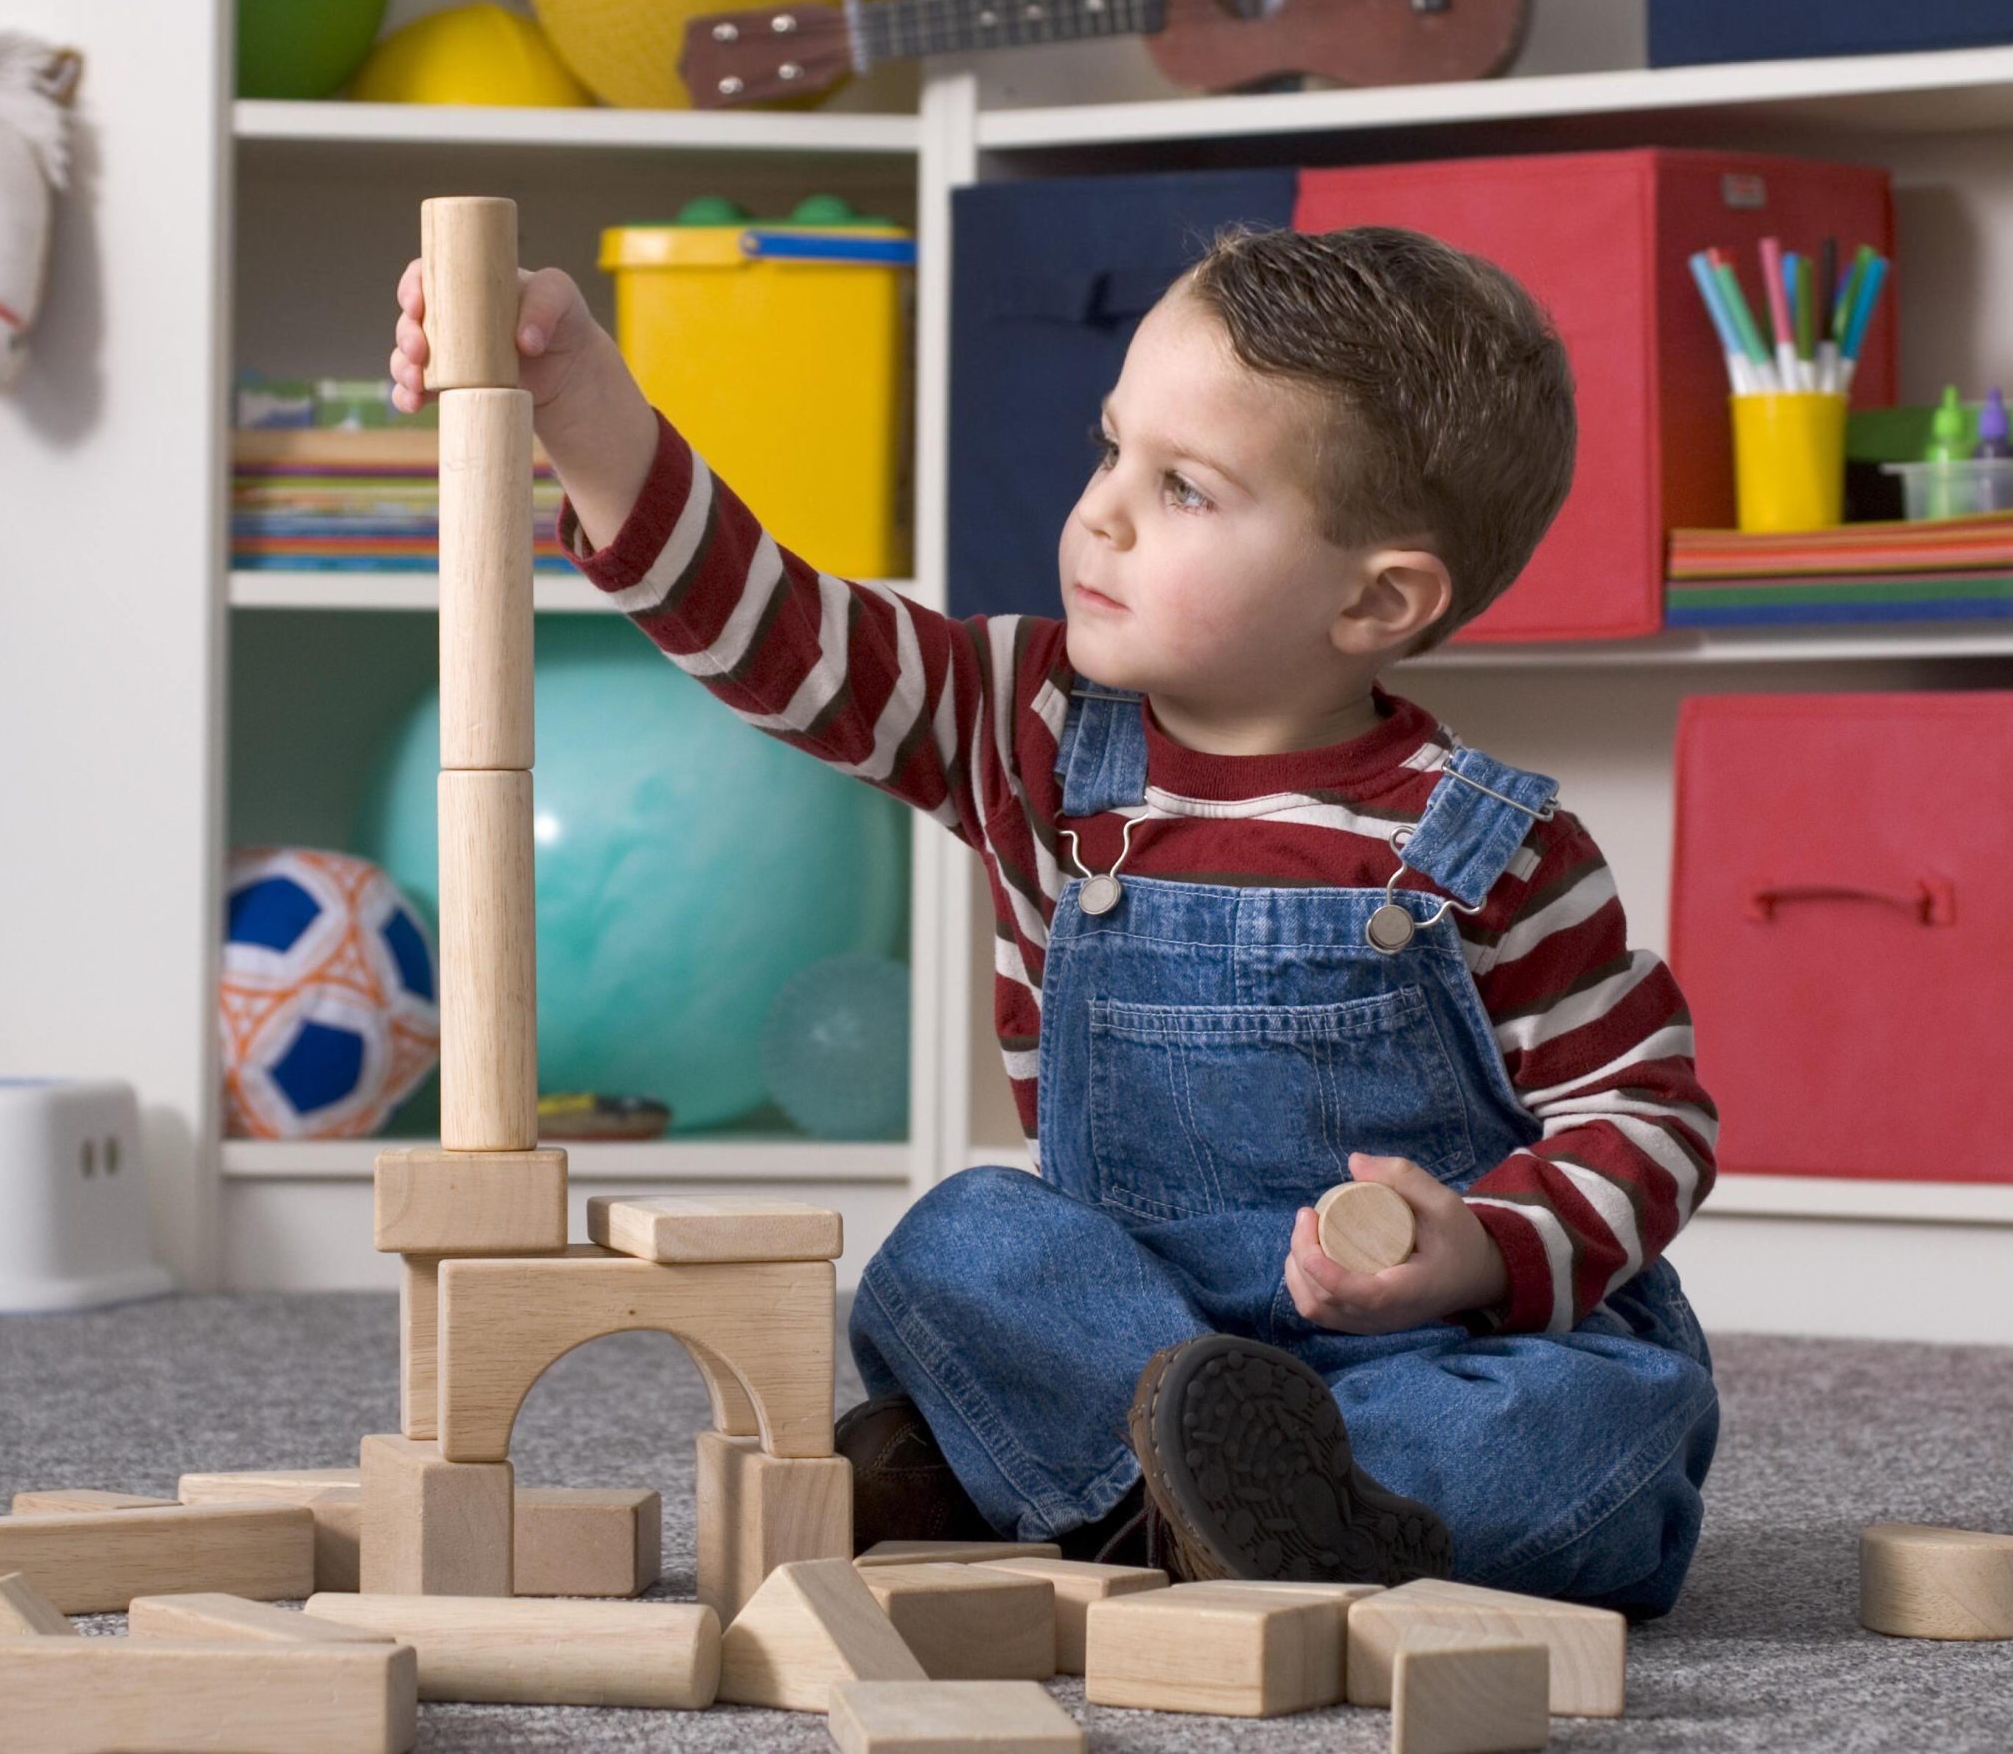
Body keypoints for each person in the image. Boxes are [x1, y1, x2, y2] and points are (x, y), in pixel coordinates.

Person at [389, 221, 1721, 1619]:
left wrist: (1483, 1249)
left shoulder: (1497, 847)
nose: (1103, 513)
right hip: (1134, 1319)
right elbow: (769, 624)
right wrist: (582, 394)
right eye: (1110, 451)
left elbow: (1652, 1116)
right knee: (961, 1242)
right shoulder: (1016, 722)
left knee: (1596, 1435)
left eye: (1187, 491)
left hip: (1428, 1356)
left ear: (1376, 597)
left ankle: (1122, 1490)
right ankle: (1190, 1493)